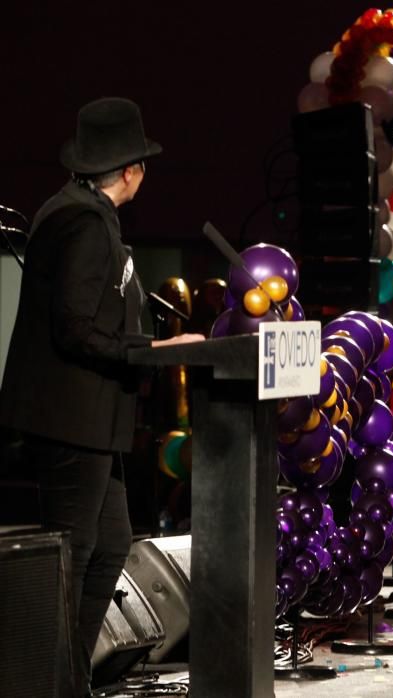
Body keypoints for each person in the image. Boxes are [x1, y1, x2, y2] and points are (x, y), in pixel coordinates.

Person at [0, 97, 204, 693]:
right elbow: (77, 327)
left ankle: (69, 679)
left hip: (87, 422)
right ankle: (49, 683)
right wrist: (154, 352)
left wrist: (146, 345)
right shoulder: (83, 223)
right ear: (131, 169)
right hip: (70, 421)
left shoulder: (84, 214)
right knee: (71, 558)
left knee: (111, 542)